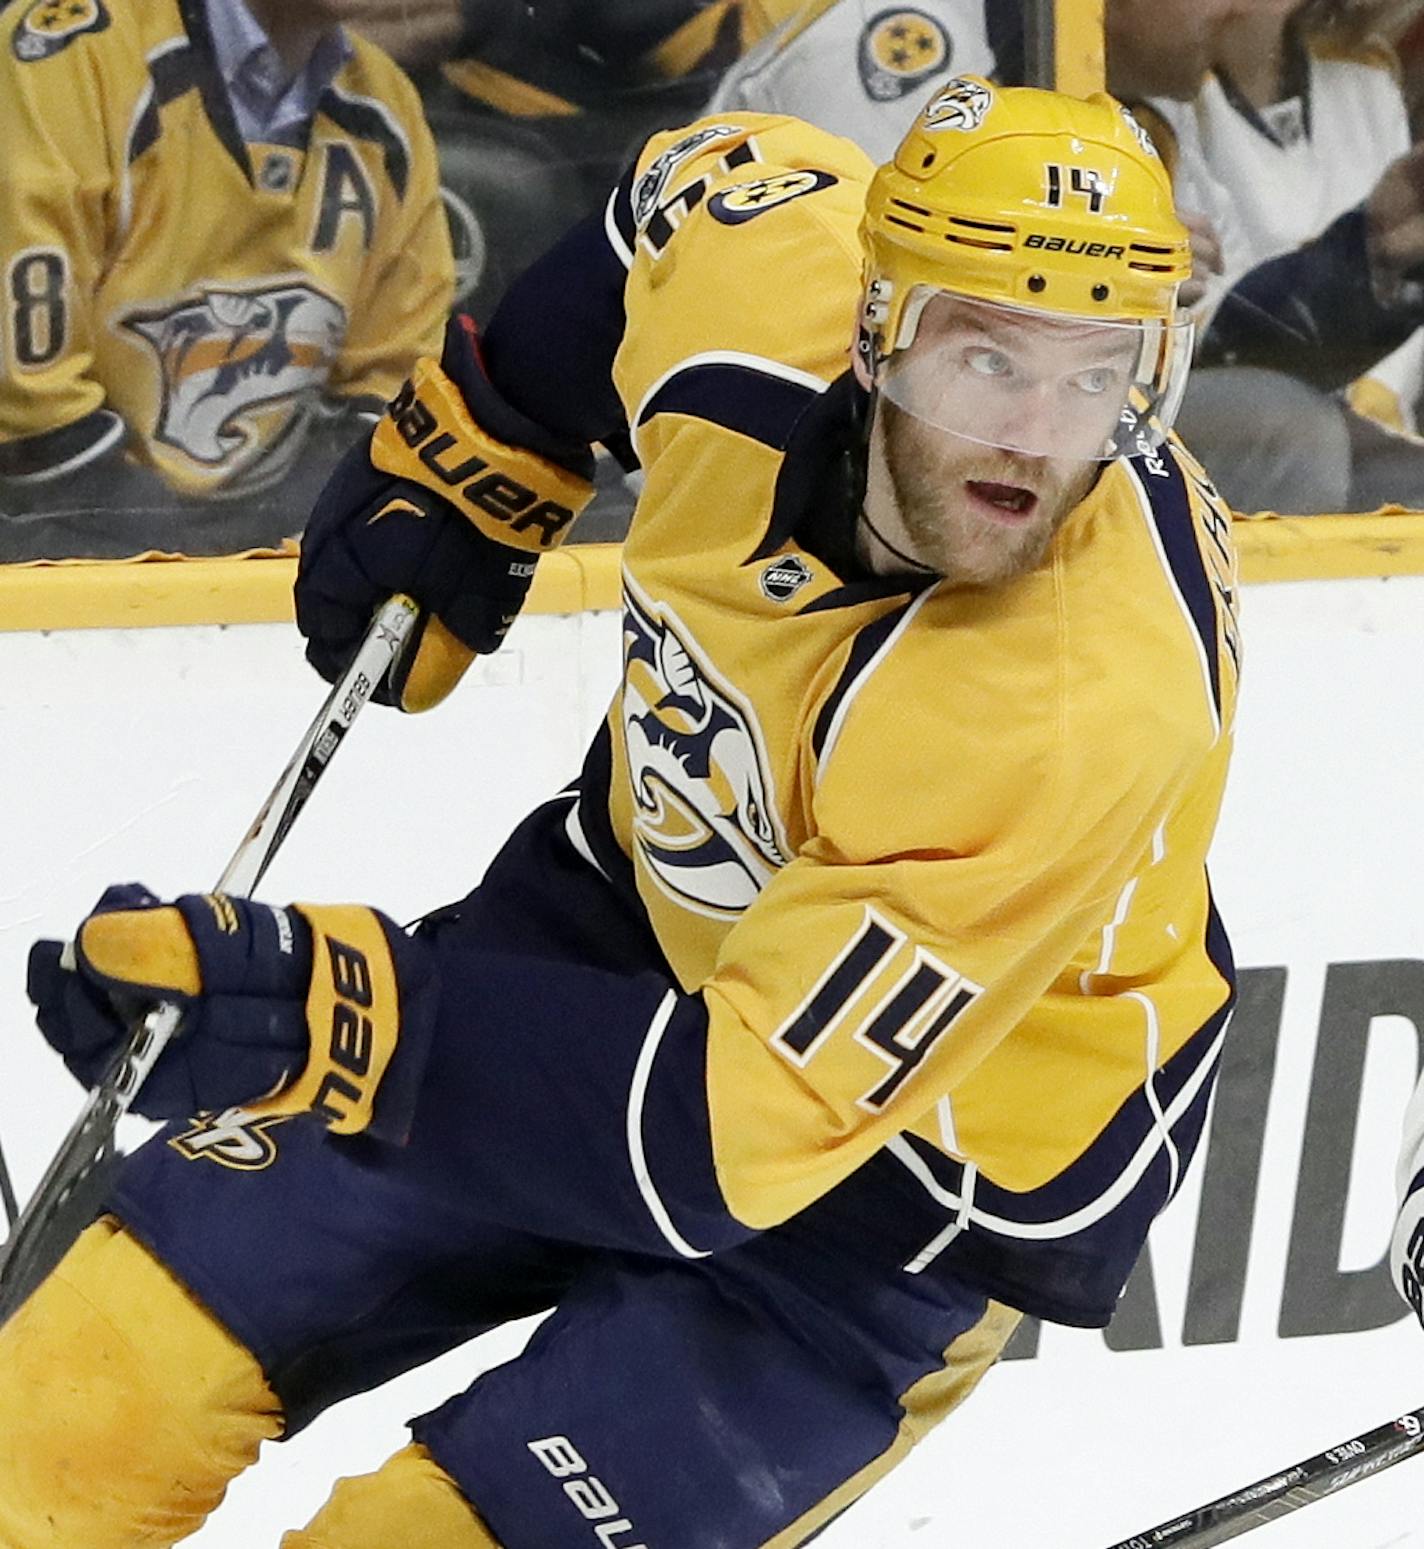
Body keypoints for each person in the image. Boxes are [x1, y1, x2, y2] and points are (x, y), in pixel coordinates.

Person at [2, 81, 1243, 1546]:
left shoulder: (1080, 705)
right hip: (610, 937)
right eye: (984, 359)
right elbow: (655, 219)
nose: (1037, 441)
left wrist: (322, 1009)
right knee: (62, 1399)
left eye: (1100, 375)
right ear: (873, 323)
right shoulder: (761, 276)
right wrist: (491, 431)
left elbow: (717, 1137)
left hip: (897, 1181)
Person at [0, 0, 454, 559]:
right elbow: (32, 422)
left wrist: (279, 548)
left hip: (257, 576)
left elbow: (394, 389)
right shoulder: (70, 57)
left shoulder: (387, 105)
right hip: (51, 571)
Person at [1148, 0, 1424, 514]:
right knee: (1291, 429)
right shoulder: (1155, 84)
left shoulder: (1366, 73)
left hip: (1379, 458)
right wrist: (1371, 262)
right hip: (1256, 458)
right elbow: (1212, 341)